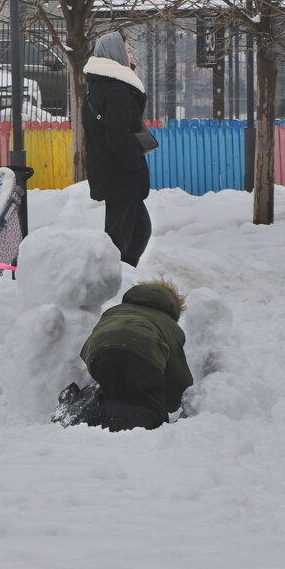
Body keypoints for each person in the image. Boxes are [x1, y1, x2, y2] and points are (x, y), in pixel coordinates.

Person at [52, 278, 192, 432]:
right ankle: (87, 412)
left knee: (117, 396)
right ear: (173, 307)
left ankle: (80, 401)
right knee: (154, 416)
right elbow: (178, 378)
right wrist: (175, 399)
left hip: (98, 353)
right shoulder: (169, 325)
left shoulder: (115, 310)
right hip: (141, 354)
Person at [82, 30, 152, 267]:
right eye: (128, 50)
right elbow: (118, 135)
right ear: (115, 53)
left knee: (138, 231)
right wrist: (134, 164)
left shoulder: (97, 86)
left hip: (108, 170)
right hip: (120, 174)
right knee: (120, 239)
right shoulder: (117, 90)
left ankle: (123, 277)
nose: (131, 55)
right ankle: (111, 281)